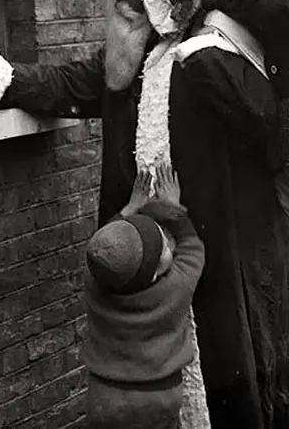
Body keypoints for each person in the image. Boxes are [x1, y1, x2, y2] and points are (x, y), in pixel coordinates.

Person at [0, 0, 289, 428]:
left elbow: (264, 122)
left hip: (220, 244)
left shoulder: (216, 52)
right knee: (160, 375)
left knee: (228, 370)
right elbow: (62, 84)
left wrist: (205, 62)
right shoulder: (130, 55)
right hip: (150, 245)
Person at [83, 164, 205, 429]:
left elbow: (103, 251)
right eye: (164, 249)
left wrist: (128, 209)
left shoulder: (95, 285)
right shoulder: (174, 289)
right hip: (159, 397)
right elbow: (193, 248)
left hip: (105, 397)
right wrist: (173, 208)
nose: (167, 244)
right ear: (153, 275)